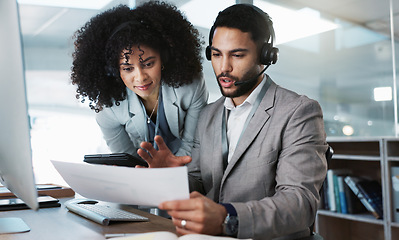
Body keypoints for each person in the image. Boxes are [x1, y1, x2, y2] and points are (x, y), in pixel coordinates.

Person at [138, 4, 328, 240]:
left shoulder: (299, 112)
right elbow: (200, 182)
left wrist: (226, 217)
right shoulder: (207, 115)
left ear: (265, 56)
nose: (224, 67)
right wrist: (171, 179)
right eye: (216, 55)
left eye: (237, 55)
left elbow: (300, 204)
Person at [71, 1, 208, 157]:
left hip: (189, 169)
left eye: (148, 64)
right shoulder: (109, 111)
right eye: (128, 69)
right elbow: (125, 159)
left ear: (164, 58)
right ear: (114, 71)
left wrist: (169, 170)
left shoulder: (191, 87)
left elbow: (193, 145)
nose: (141, 77)